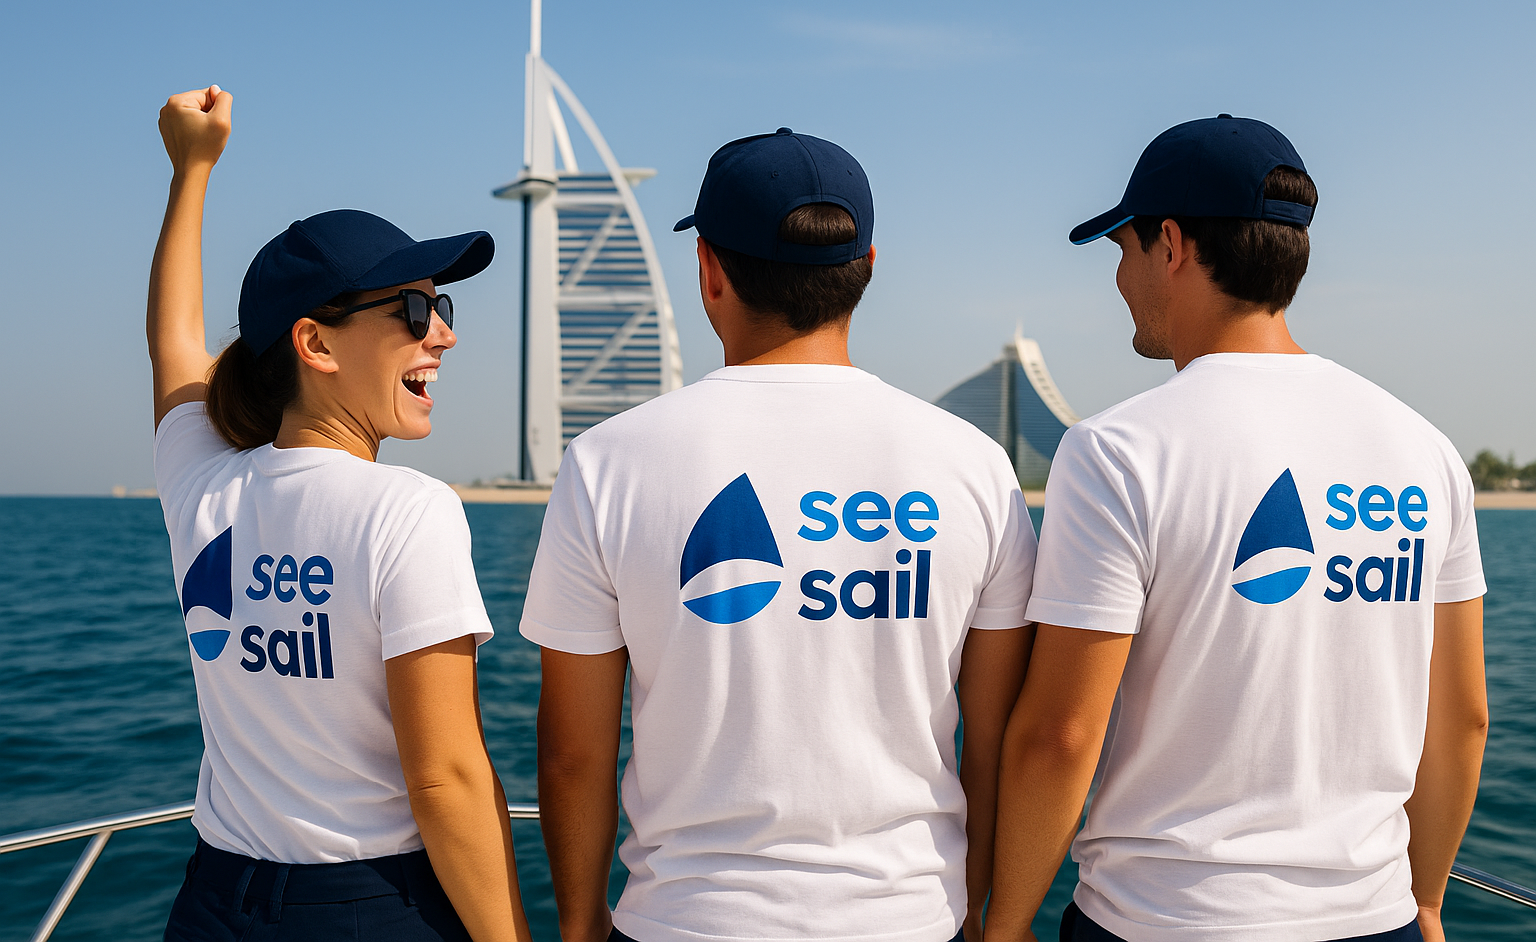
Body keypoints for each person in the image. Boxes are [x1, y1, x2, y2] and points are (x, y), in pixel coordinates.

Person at [520, 128, 1037, 942]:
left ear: (709, 271)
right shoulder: (976, 468)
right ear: (866, 268)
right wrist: (983, 918)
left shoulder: (608, 463)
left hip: (681, 924)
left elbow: (574, 756)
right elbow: (998, 743)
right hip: (908, 922)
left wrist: (580, 928)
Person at [986, 115, 1488, 942]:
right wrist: (1425, 900)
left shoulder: (1117, 452)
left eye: (1122, 249)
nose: (1118, 277)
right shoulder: (1424, 450)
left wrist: (1002, 924)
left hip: (1161, 923)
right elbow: (1463, 717)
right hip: (1373, 920)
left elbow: (1061, 734)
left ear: (1172, 246)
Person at [148, 85, 532, 942]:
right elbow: (447, 780)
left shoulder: (201, 488)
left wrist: (190, 169)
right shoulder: (409, 512)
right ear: (314, 343)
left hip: (213, 904)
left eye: (442, 307)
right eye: (414, 309)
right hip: (368, 908)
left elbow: (174, 345)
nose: (443, 334)